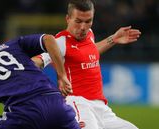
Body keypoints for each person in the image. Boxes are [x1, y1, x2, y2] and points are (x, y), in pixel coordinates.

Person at [32, 0, 141, 129]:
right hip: (78, 103)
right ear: (68, 19)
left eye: (88, 21)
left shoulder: (89, 34)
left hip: (101, 108)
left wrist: (113, 39)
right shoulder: (60, 42)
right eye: (78, 21)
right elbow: (36, 62)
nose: (83, 27)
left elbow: (90, 53)